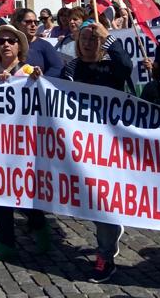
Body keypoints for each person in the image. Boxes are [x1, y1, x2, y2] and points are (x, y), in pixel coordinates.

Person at [61, 22, 129, 281]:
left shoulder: (111, 66)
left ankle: (105, 255)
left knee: (103, 198)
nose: (88, 43)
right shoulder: (71, 68)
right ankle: (110, 234)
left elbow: (127, 67)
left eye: (93, 39)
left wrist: (109, 38)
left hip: (110, 143)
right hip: (80, 144)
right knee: (90, 197)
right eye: (83, 39)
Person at [0, 25, 38, 263]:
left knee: (26, 193)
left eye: (11, 41)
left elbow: (39, 83)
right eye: (1, 41)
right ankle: (6, 243)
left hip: (22, 146)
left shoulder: (27, 69)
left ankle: (39, 226)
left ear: (19, 46)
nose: (6, 44)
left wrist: (33, 78)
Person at [13, 7, 64, 250]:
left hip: (38, 113)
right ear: (17, 24)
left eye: (36, 22)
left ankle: (38, 217)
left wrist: (42, 82)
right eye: (28, 21)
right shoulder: (10, 44)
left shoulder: (43, 46)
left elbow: (57, 68)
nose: (34, 25)